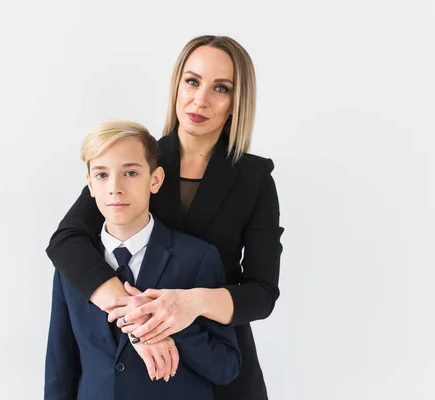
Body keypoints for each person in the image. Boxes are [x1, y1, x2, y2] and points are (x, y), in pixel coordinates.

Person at [46, 35, 284, 400]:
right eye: (192, 81)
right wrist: (138, 316)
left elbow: (262, 293)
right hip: (132, 367)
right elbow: (66, 242)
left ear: (237, 102)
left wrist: (193, 303)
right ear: (176, 85)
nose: (200, 99)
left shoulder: (253, 179)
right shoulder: (136, 161)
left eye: (220, 88)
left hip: (218, 367)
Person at [44, 120, 241, 400]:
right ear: (89, 184)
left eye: (131, 173)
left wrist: (167, 323)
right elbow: (60, 367)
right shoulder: (71, 267)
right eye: (101, 175)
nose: (115, 187)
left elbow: (226, 367)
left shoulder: (197, 258)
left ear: (155, 180)